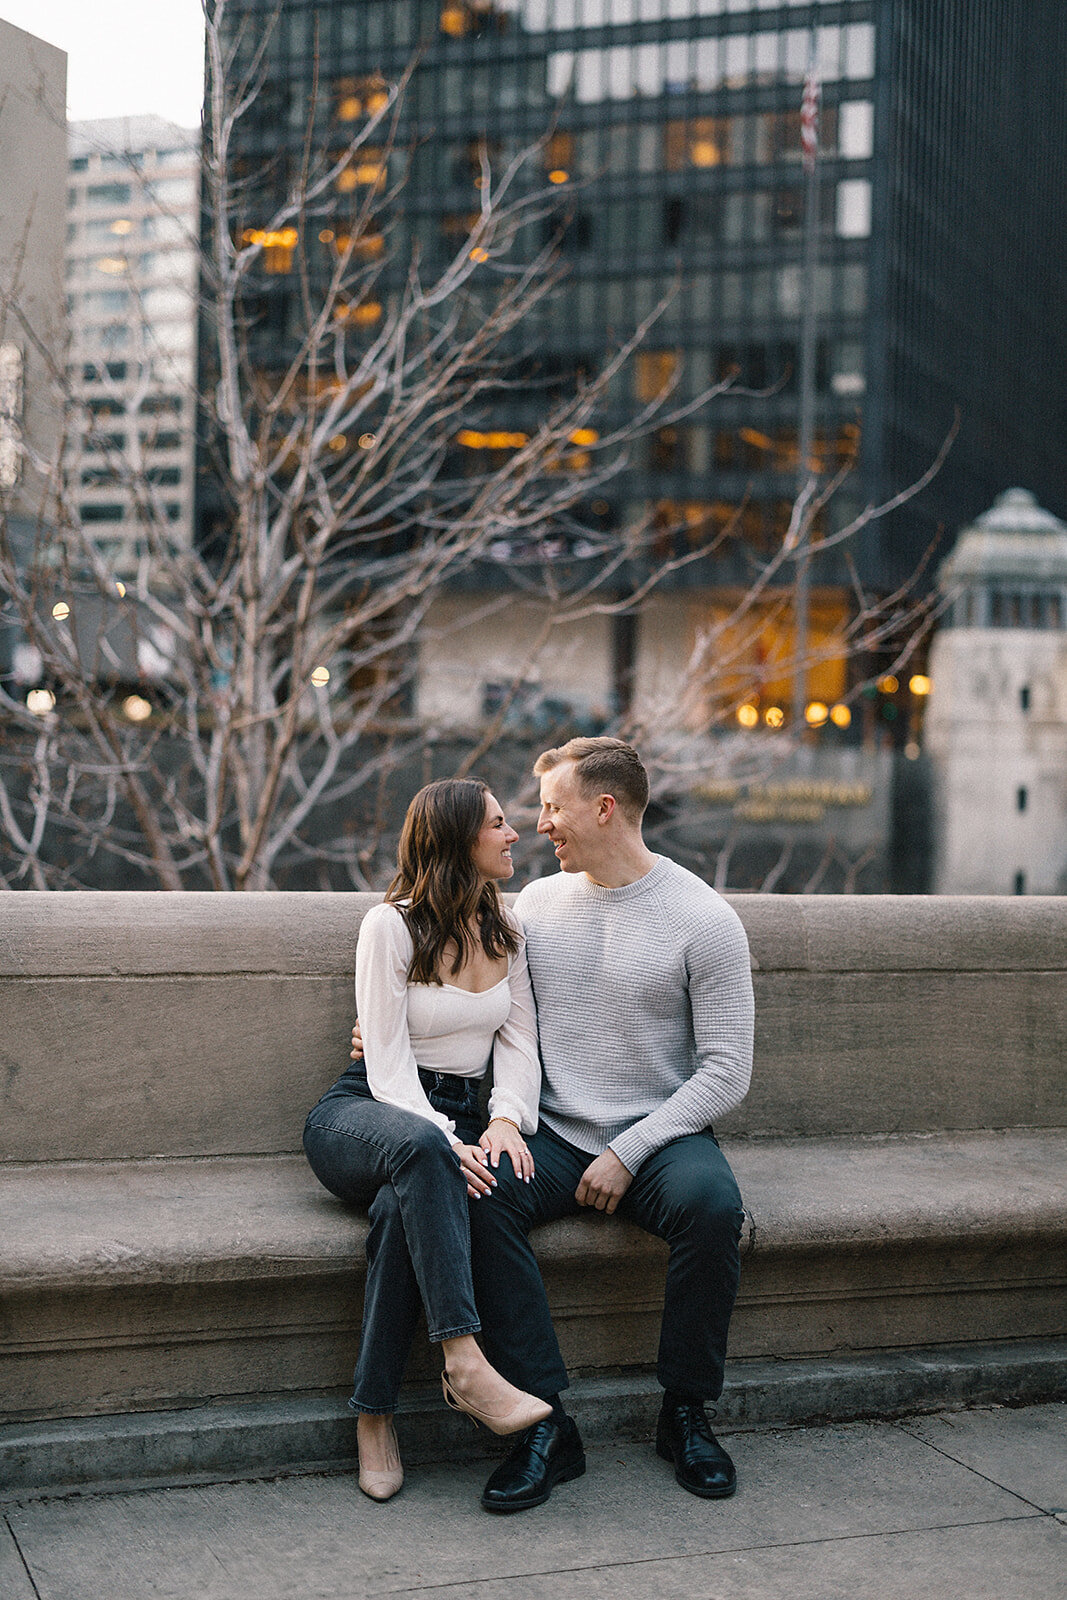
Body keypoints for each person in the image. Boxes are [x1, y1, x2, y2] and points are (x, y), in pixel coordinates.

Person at [354, 738, 755, 1513]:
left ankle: (685, 1413)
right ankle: (546, 1426)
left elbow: (725, 1072)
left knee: (712, 1210)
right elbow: (467, 993)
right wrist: (379, 1029)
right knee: (471, 1195)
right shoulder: (529, 907)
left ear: (602, 808)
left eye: (551, 806)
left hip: (659, 1138)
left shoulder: (704, 919)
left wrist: (631, 1150)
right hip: (548, 1135)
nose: (538, 825)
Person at [303, 778, 551, 1503]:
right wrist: (443, 1138)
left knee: (397, 1213)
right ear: (455, 840)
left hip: (455, 1121)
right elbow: (382, 1063)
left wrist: (504, 1117)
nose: (514, 835)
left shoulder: (509, 930)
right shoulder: (390, 926)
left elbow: (519, 1041)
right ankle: (464, 1361)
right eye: (499, 825)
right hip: (366, 1115)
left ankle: (374, 1416)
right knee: (420, 1154)